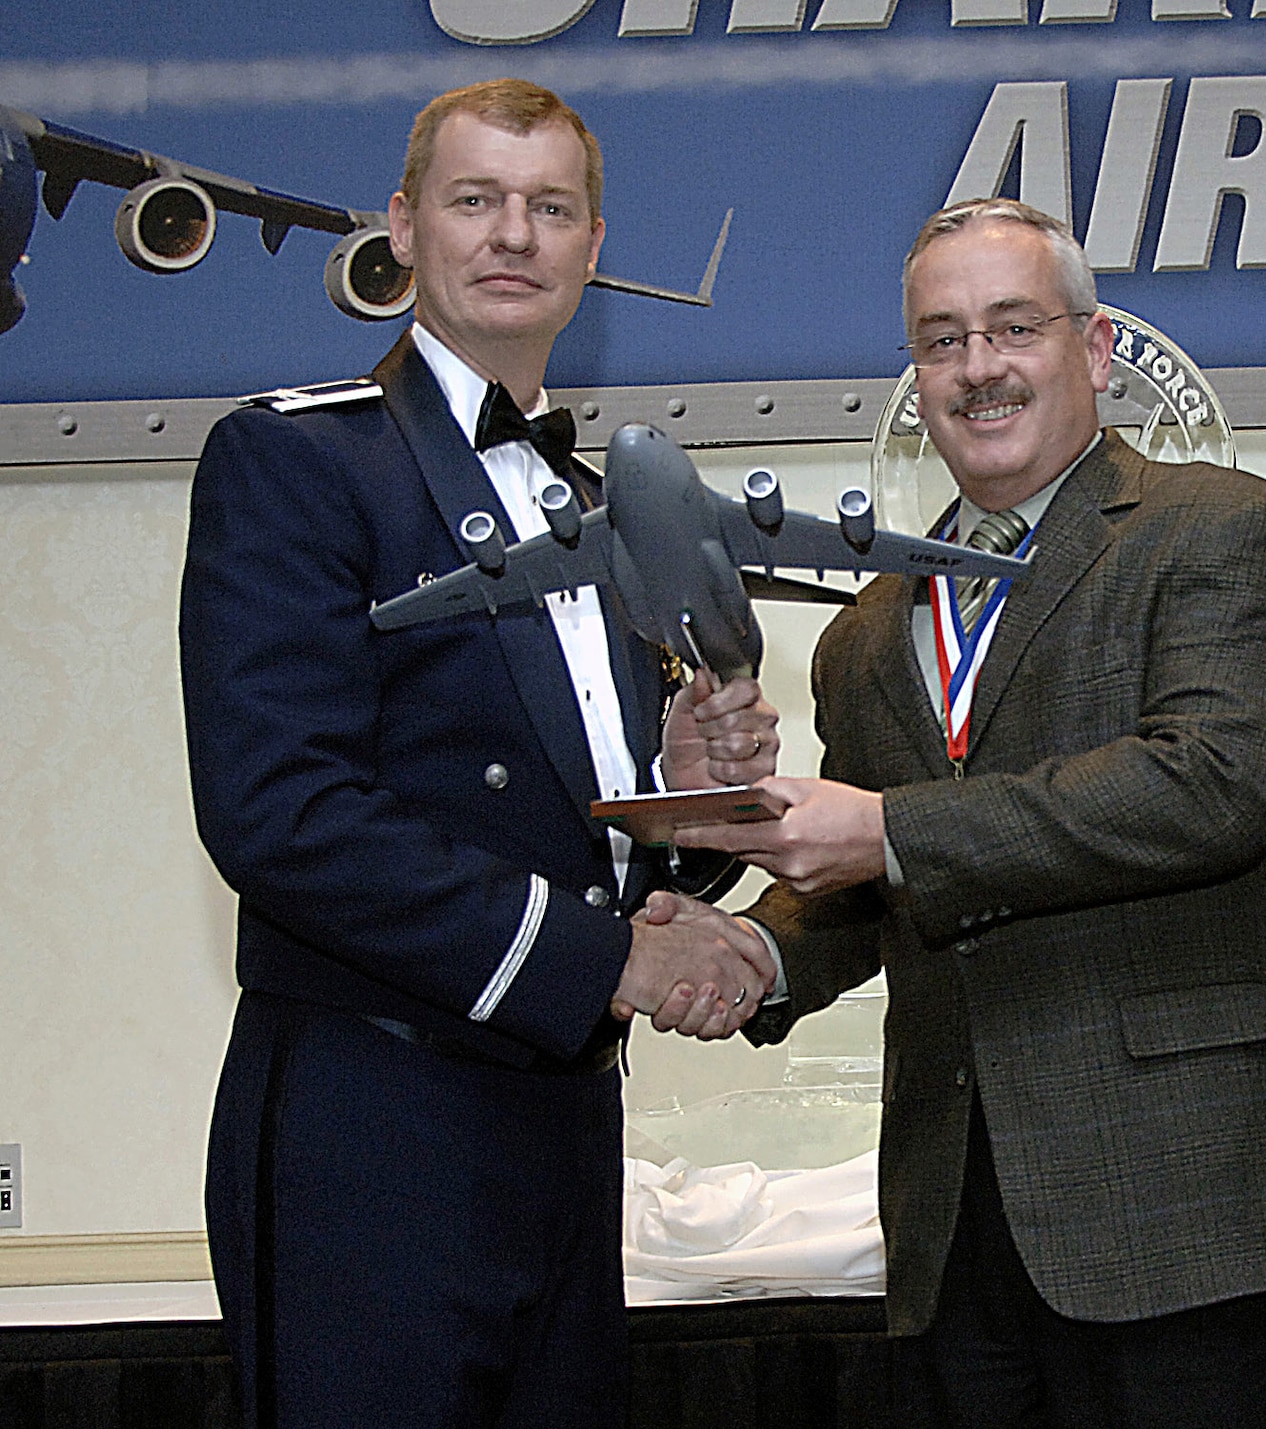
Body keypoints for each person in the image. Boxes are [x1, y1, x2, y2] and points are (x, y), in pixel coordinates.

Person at [674, 198, 1266, 1428]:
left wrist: (883, 832)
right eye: (940, 340)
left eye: (1011, 327)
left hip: (1184, 1217)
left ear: (1091, 351)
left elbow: (1206, 789)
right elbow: (865, 884)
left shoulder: (1227, 529)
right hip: (953, 1228)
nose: (977, 368)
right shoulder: (873, 626)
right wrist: (752, 951)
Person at [179, 79, 780, 1429]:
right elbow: (282, 811)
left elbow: (578, 831)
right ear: (403, 226)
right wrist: (611, 957)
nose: (513, 233)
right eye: (475, 200)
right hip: (371, 1120)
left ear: (590, 244)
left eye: (548, 208)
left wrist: (682, 799)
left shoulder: (599, 503)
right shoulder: (295, 459)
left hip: (562, 1123)